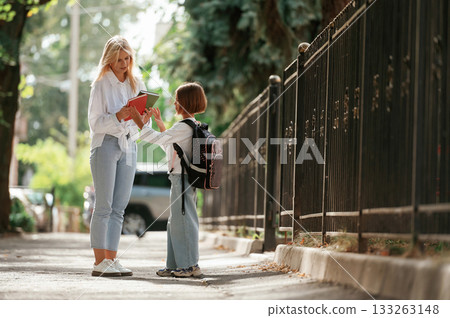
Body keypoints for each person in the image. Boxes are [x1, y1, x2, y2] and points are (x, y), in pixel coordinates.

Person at [129, 82, 207, 277]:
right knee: (175, 222)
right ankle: (175, 264)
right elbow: (171, 146)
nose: (174, 104)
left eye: (177, 100)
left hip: (181, 179)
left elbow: (158, 140)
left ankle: (190, 265)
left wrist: (139, 121)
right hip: (180, 179)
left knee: (184, 221)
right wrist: (159, 123)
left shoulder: (183, 127)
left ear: (184, 103)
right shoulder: (191, 125)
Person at [88, 35, 148, 277]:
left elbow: (140, 123)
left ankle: (111, 260)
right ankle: (99, 262)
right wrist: (118, 116)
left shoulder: (136, 84)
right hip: (105, 145)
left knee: (119, 208)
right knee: (104, 206)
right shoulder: (101, 84)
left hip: (129, 145)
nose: (124, 63)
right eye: (119, 59)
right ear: (109, 60)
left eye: (127, 58)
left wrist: (143, 118)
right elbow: (94, 123)